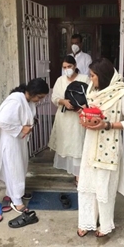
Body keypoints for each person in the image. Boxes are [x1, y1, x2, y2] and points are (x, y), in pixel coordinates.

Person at [77, 58, 124, 238]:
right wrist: (84, 116)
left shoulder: (122, 94)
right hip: (91, 142)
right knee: (87, 183)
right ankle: (86, 222)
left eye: (93, 76)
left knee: (103, 186)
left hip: (109, 146)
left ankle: (105, 225)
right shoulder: (93, 90)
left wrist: (107, 125)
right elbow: (90, 111)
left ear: (103, 76)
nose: (90, 80)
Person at [0, 78, 49, 216]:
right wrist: (21, 128)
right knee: (14, 169)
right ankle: (17, 201)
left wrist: (28, 126)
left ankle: (14, 192)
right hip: (10, 142)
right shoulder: (15, 100)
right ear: (33, 92)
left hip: (18, 141)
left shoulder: (26, 100)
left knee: (19, 168)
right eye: (39, 97)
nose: (39, 100)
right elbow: (2, 121)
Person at [48, 55, 89, 187]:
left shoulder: (85, 79)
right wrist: (63, 101)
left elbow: (91, 97)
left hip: (79, 118)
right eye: (64, 67)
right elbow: (54, 98)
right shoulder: (60, 80)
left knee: (78, 145)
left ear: (75, 66)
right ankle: (74, 174)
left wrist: (83, 107)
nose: (67, 69)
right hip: (64, 119)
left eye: (69, 66)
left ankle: (79, 177)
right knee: (67, 144)